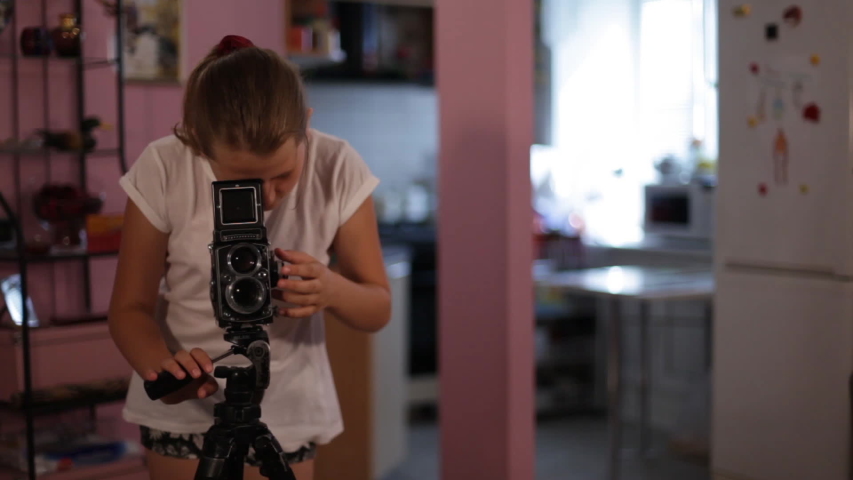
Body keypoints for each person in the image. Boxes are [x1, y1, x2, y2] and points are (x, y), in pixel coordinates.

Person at [107, 35, 391, 480]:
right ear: (199, 144)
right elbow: (129, 308)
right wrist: (162, 368)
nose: (269, 198)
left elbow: (377, 308)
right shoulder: (164, 166)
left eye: (283, 175)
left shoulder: (336, 165)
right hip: (184, 412)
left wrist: (331, 289)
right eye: (245, 182)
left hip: (288, 409)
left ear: (305, 126)